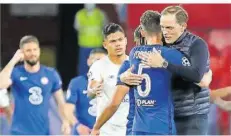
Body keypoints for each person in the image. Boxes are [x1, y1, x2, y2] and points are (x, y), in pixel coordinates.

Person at [91, 10, 193, 135]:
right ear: (162, 30)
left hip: (138, 128)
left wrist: (96, 127)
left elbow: (114, 103)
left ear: (143, 32)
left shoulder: (133, 55)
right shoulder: (172, 55)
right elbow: (196, 76)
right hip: (163, 127)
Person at [120, 6, 211, 135]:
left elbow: (197, 76)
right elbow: (134, 65)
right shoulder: (164, 45)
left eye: (169, 28)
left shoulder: (196, 44)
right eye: (162, 27)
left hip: (191, 116)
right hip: (169, 116)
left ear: (183, 26)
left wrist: (163, 63)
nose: (165, 32)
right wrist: (123, 77)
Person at [0, 35, 70, 135]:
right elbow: (1, 84)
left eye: (35, 49)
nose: (32, 53)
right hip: (19, 132)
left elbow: (60, 102)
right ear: (22, 53)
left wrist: (65, 121)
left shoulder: (51, 74)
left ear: (39, 50)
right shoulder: (16, 73)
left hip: (43, 132)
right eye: (28, 50)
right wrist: (14, 60)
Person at [87, 23, 130, 136]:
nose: (118, 44)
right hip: (107, 129)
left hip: (131, 128)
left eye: (120, 40)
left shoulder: (134, 65)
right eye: (113, 41)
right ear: (105, 44)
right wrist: (94, 89)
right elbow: (91, 88)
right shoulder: (99, 66)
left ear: (125, 40)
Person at [65, 48, 107, 135]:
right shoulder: (76, 82)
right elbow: (68, 110)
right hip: (83, 133)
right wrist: (78, 126)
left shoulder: (113, 83)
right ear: (88, 61)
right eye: (96, 60)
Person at [74, 4, 108, 75]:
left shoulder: (101, 14)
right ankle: (84, 84)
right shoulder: (79, 14)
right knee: (83, 68)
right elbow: (76, 27)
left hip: (97, 46)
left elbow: (105, 27)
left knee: (98, 68)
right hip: (84, 46)